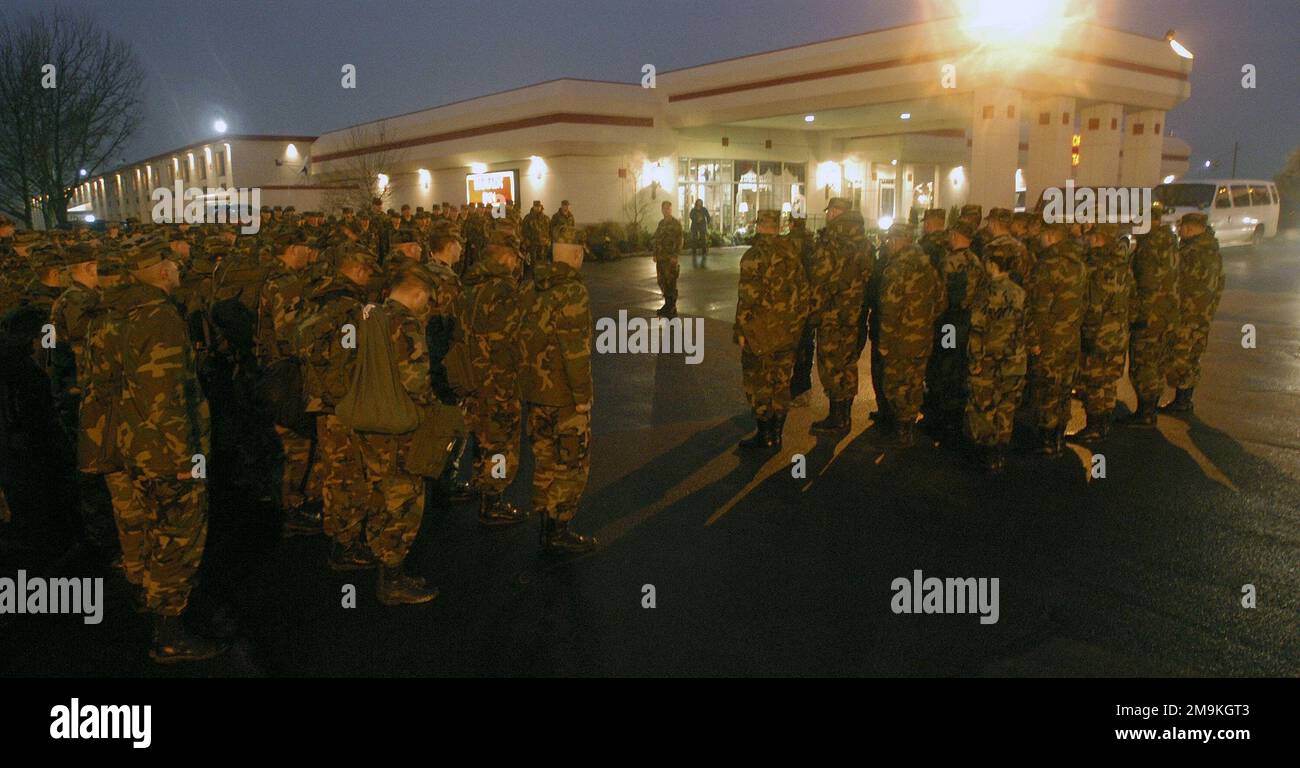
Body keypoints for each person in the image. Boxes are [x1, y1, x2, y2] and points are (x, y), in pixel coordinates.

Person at [116, 236, 226, 662]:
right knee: (178, 537)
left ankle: (157, 610)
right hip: (172, 452)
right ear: (162, 270)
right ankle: (170, 633)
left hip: (138, 445)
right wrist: (187, 462)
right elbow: (167, 396)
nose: (181, 270)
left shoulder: (122, 311)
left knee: (153, 531)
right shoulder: (160, 317)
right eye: (175, 265)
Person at [353, 266, 441, 605]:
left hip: (367, 419)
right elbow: (415, 382)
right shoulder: (405, 325)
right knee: (403, 499)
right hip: (398, 427)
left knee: (377, 491)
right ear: (417, 294)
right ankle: (392, 579)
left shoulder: (367, 315)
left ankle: (380, 560)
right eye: (427, 300)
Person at [519, 225, 597, 554]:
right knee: (572, 464)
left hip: (535, 392)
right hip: (564, 395)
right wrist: (583, 397)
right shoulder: (572, 292)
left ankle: (545, 525)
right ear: (576, 255)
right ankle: (559, 527)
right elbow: (575, 351)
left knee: (545, 460)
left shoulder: (528, 287)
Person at [460, 243, 528, 525]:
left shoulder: (471, 287)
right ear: (506, 258)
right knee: (501, 443)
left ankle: (480, 481)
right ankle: (494, 499)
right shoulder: (505, 291)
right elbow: (509, 341)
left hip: (472, 377)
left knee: (482, 436)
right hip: (498, 381)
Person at [733, 209, 809, 452]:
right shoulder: (792, 254)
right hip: (788, 333)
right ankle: (777, 435)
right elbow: (804, 293)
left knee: (759, 384)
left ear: (758, 225)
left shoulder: (753, 256)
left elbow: (747, 299)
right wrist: (797, 328)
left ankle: (765, 435)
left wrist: (742, 332)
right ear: (777, 226)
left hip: (761, 336)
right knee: (781, 383)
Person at [876, 222, 946, 446]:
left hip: (899, 341)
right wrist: (924, 321)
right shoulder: (928, 267)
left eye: (890, 241)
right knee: (915, 382)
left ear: (898, 241)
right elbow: (942, 301)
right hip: (923, 338)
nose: (888, 245)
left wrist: (884, 341)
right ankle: (908, 428)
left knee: (895, 385)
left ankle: (902, 431)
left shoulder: (896, 269)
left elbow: (889, 310)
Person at [808, 197, 871, 433]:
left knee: (831, 365)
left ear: (835, 212)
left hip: (831, 315)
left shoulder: (831, 240)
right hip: (854, 313)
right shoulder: (863, 241)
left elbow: (820, 279)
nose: (827, 215)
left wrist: (813, 313)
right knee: (847, 363)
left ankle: (838, 419)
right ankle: (845, 416)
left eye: (829, 211)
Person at [964, 241, 1027, 473]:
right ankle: (1001, 450)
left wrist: (975, 361)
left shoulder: (986, 293)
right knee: (1007, 405)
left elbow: (977, 330)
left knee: (984, 406)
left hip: (988, 359)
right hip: (1014, 359)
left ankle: (988, 453)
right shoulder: (1020, 292)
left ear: (991, 264)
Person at [1025, 222, 1087, 455]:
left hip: (1050, 340)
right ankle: (1059, 436)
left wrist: (1033, 341)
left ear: (1050, 236)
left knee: (1046, 390)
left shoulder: (1047, 265)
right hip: (1071, 338)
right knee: (1063, 389)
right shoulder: (1079, 264)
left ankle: (1047, 441)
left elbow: (1038, 309)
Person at [1123, 202, 1180, 426]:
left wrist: (1137, 317)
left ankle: (1145, 413)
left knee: (1144, 365)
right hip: (1167, 315)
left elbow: (1146, 287)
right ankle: (1150, 409)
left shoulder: (1148, 249)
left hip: (1149, 318)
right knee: (1156, 364)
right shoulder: (1170, 244)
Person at [1162, 212, 1224, 414]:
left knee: (1181, 356)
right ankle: (1185, 400)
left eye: (1184, 227)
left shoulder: (1191, 252)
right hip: (1202, 314)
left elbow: (1178, 283)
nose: (1181, 231)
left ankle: (1182, 401)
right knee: (1193, 355)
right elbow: (1220, 284)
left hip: (1187, 314)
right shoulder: (1212, 250)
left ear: (1191, 228)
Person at [1077, 223, 1132, 440]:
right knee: (1108, 380)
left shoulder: (1096, 266)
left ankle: (1095, 426)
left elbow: (1093, 305)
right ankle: (1105, 421)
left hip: (1099, 332)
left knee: (1094, 381)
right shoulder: (1123, 264)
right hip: (1118, 331)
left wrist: (1088, 334)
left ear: (1100, 238)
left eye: (1091, 236)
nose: (1088, 240)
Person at [651, 201, 685, 318]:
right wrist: (655, 253)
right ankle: (667, 305)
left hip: (670, 259)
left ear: (671, 209)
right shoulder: (661, 224)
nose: (666, 210)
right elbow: (656, 239)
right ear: (662, 210)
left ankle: (672, 308)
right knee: (662, 282)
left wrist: (675, 255)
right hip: (661, 258)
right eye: (664, 208)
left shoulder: (675, 224)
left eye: (668, 209)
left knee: (671, 283)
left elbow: (680, 240)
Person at [688, 199, 712, 268]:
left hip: (702, 227)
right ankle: (694, 252)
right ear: (696, 203)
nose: (699, 204)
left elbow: (708, 217)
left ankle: (704, 252)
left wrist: (707, 222)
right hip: (695, 227)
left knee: (703, 240)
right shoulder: (693, 210)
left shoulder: (704, 209)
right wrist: (696, 218)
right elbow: (691, 216)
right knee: (694, 240)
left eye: (700, 202)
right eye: (698, 202)